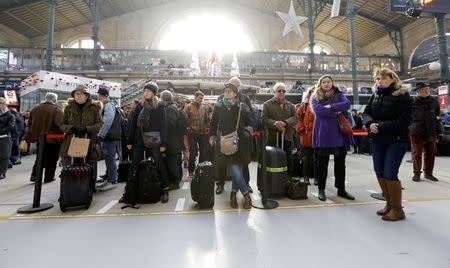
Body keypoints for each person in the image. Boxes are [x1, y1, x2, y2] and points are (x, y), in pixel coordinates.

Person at [363, 68, 412, 221]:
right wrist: (370, 123)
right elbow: (366, 113)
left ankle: (398, 210)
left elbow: (404, 120)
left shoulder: (403, 95)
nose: (380, 81)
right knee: (379, 171)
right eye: (378, 79)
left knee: (390, 172)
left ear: (393, 79)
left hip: (396, 140)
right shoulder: (376, 94)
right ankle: (389, 204)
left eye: (384, 78)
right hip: (378, 139)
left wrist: (380, 126)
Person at [311, 75, 355, 202]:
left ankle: (341, 189)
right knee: (322, 163)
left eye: (328, 81)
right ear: (320, 84)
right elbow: (318, 111)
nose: (326, 84)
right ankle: (321, 189)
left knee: (340, 163)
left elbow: (346, 104)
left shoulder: (339, 93)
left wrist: (331, 107)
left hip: (338, 133)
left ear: (332, 83)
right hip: (323, 132)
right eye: (323, 82)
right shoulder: (315, 96)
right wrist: (336, 109)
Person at [209, 83, 253, 209]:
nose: (227, 93)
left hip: (241, 143)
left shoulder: (243, 107)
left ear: (235, 93)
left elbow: (251, 123)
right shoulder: (218, 106)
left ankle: (233, 195)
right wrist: (212, 137)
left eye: (230, 91)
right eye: (225, 91)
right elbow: (213, 124)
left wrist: (247, 132)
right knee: (235, 169)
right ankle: (246, 195)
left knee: (237, 171)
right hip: (226, 143)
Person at [127, 82, 169, 203]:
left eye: (149, 91)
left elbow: (163, 126)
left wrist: (163, 144)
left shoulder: (160, 106)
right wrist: (130, 140)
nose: (146, 93)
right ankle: (130, 191)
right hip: (139, 138)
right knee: (135, 163)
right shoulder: (140, 106)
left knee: (158, 162)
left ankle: (165, 189)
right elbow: (133, 124)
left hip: (154, 138)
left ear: (154, 93)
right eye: (145, 91)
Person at [59, 85, 103, 167]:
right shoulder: (68, 108)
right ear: (73, 96)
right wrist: (71, 128)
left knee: (88, 169)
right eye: (76, 94)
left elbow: (100, 124)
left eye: (81, 94)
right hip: (70, 142)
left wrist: (87, 129)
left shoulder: (94, 108)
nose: (79, 96)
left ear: (86, 96)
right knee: (69, 168)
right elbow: (62, 125)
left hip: (89, 142)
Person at [25, 93, 63, 183]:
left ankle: (34, 176)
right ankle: (48, 177)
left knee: (40, 157)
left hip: (39, 139)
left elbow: (29, 124)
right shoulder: (56, 110)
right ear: (55, 100)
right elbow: (61, 125)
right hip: (53, 139)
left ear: (46, 99)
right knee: (52, 159)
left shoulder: (35, 109)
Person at [261, 82, 298, 177]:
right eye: (279, 91)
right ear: (274, 92)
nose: (281, 92)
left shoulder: (290, 105)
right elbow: (264, 119)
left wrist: (285, 123)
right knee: (272, 158)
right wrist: (275, 123)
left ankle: (288, 180)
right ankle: (272, 181)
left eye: (283, 91)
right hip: (273, 138)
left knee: (288, 159)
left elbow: (295, 118)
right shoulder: (267, 104)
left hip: (287, 137)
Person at [409, 82, 440, 182]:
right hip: (416, 131)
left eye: (427, 88)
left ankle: (428, 173)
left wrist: (438, 131)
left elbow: (437, 116)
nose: (427, 90)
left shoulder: (434, 101)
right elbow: (408, 116)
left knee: (430, 153)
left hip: (431, 131)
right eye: (424, 89)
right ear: (418, 91)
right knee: (417, 153)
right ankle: (416, 173)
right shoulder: (412, 101)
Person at [97, 87, 122, 190]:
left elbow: (107, 121)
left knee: (110, 158)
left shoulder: (108, 105)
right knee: (109, 158)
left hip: (110, 137)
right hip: (112, 136)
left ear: (100, 95)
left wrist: (100, 135)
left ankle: (112, 180)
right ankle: (109, 177)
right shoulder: (111, 104)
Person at [160, 90, 184, 190]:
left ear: (163, 99)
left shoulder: (169, 109)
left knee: (172, 160)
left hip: (172, 140)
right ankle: (177, 178)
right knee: (176, 159)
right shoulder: (174, 107)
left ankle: (175, 182)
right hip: (176, 139)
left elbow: (170, 124)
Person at [184, 91, 209, 177]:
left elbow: (206, 119)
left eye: (202, 98)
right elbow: (184, 120)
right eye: (200, 98)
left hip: (202, 133)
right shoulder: (188, 107)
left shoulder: (203, 108)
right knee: (193, 152)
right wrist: (188, 129)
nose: (201, 100)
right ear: (195, 97)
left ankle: (200, 169)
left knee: (203, 152)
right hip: (192, 133)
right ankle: (191, 171)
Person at [295, 87, 315, 185]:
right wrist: (301, 129)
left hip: (318, 136)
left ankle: (317, 178)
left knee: (318, 158)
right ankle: (306, 177)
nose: (314, 94)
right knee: (306, 158)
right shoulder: (304, 105)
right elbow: (297, 118)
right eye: (312, 92)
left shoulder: (322, 104)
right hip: (306, 135)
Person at [0, 98, 15, 180]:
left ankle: (2, 173)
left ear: (5, 104)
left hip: (5, 138)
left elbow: (11, 127)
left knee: (4, 156)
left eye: (1, 103)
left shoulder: (10, 115)